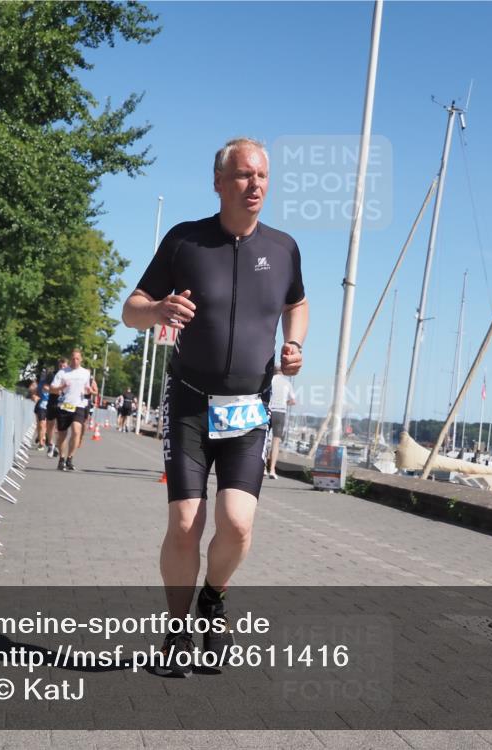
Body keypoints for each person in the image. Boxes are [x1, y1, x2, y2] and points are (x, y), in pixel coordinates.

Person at [122, 137, 308, 677]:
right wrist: (157, 308)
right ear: (220, 182)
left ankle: (214, 598)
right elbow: (131, 311)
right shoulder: (185, 241)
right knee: (185, 522)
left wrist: (294, 346)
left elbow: (297, 302)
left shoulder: (283, 248)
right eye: (245, 175)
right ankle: (178, 633)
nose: (256, 185)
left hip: (248, 409)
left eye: (264, 177)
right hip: (188, 402)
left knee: (236, 524)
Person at [50, 349, 97, 472]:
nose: (75, 361)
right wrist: (62, 387)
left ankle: (70, 458)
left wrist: (89, 391)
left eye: (77, 358)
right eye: (73, 358)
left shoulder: (85, 373)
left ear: (81, 359)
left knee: (77, 431)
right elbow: (52, 389)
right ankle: (61, 458)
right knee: (62, 435)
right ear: (70, 359)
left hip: (79, 405)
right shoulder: (62, 373)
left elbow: (88, 389)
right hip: (64, 405)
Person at [265, 365, 296, 479]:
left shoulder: (269, 381)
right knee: (276, 442)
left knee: (263, 440)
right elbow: (293, 400)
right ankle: (272, 470)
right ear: (282, 371)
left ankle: (263, 468)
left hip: (268, 410)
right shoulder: (287, 383)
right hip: (280, 412)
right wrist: (284, 402)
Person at [44, 357, 67, 458]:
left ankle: (57, 445)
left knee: (61, 427)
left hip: (64, 403)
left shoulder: (70, 376)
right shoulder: (52, 374)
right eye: (60, 366)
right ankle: (50, 444)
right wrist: (54, 389)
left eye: (64, 366)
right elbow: (45, 387)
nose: (62, 367)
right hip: (53, 401)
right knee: (50, 424)